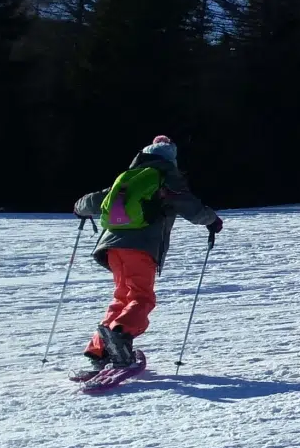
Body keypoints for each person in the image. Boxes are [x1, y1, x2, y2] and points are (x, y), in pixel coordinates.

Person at [72, 134, 221, 366]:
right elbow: (189, 206)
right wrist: (212, 220)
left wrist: (79, 208)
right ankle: (120, 339)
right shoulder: (166, 177)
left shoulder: (129, 177)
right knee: (142, 297)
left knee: (122, 298)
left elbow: (94, 201)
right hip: (141, 247)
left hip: (112, 248)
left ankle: (99, 350)